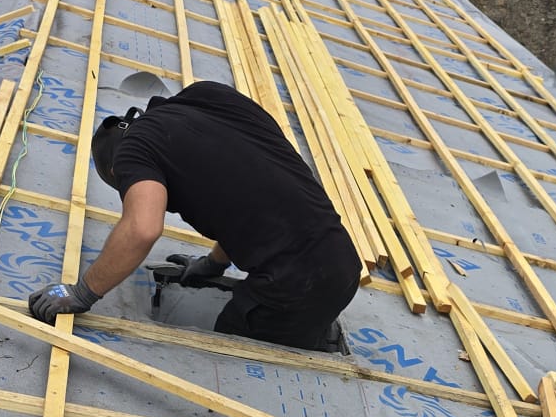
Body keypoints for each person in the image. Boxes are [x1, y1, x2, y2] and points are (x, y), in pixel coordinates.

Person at [27, 76, 359, 351]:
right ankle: (313, 324)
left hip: (299, 286)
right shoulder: (208, 95)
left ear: (117, 170)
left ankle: (316, 341)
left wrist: (82, 292)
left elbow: (142, 228)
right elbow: (249, 187)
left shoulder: (134, 152)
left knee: (233, 346)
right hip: (343, 258)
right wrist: (214, 263)